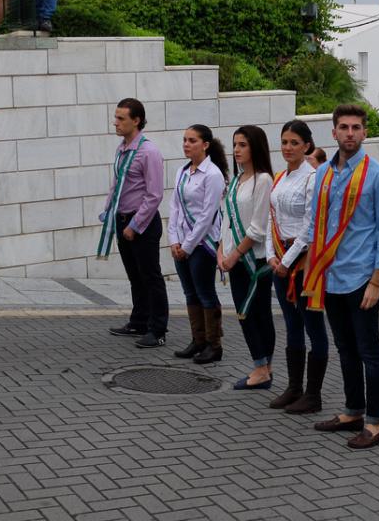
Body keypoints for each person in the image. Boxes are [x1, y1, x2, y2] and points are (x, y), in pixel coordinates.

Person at [309, 104, 379, 449]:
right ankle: (353, 411)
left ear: (364, 133)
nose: (350, 133)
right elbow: (319, 225)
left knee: (369, 351)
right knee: (345, 348)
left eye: (356, 127)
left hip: (362, 278)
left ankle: (376, 423)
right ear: (333, 132)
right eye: (343, 127)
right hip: (331, 276)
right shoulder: (323, 174)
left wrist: (377, 281)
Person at [265, 120, 328, 413]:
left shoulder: (313, 178)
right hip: (279, 255)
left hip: (304, 260)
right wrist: (270, 256)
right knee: (291, 325)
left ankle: (313, 395)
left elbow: (311, 225)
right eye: (284, 142)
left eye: (294, 143)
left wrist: (288, 261)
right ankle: (294, 387)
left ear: (306, 146)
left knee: (313, 326)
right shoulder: (280, 177)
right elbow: (271, 218)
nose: (288, 148)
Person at [102, 98, 169, 349]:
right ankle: (139, 321)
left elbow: (154, 195)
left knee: (151, 276)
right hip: (122, 218)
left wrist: (135, 225)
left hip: (142, 222)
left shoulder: (148, 152)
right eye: (116, 117)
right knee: (135, 276)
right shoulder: (122, 149)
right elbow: (117, 182)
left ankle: (158, 329)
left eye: (121, 118)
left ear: (136, 120)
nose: (115, 122)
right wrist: (108, 209)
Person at [219, 125, 275, 390]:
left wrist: (235, 254)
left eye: (243, 145)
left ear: (255, 147)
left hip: (254, 260)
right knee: (246, 313)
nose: (237, 150)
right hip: (233, 257)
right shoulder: (236, 181)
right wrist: (221, 250)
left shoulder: (263, 180)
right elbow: (226, 220)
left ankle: (263, 368)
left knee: (254, 313)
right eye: (235, 144)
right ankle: (261, 366)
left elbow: (258, 227)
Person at [169, 125, 229, 364]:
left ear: (205, 145)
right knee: (189, 292)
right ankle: (198, 340)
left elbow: (206, 215)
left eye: (192, 140)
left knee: (205, 292)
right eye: (184, 140)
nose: (186, 144)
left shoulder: (212, 174)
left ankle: (214, 345)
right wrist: (174, 240)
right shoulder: (182, 171)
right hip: (182, 242)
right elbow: (174, 207)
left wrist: (188, 245)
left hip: (202, 244)